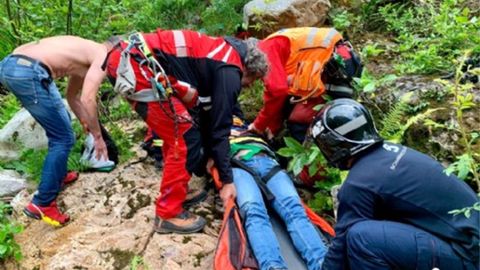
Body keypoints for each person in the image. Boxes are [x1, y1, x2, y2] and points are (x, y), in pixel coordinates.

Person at [104, 29, 268, 234]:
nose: (249, 86)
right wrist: (227, 181)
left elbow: (207, 115)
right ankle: (167, 213)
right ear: (250, 70)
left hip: (133, 61)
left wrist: (211, 156)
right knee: (183, 138)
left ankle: (175, 193)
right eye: (252, 82)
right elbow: (220, 128)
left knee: (177, 133)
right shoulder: (230, 69)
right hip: (138, 67)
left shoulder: (221, 54)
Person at [309, 98, 479, 269]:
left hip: (466, 254)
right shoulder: (392, 152)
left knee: (361, 238)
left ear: (334, 144)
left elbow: (341, 243)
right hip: (468, 241)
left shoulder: (359, 183)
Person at [0, 36, 113, 227]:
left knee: (63, 123)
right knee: (62, 138)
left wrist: (86, 121)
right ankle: (42, 203)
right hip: (29, 72)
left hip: (12, 65)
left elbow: (72, 97)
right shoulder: (104, 56)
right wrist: (98, 137)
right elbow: (88, 100)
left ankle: (57, 174)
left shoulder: (88, 52)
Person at [227, 116, 328, 270]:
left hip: (267, 161)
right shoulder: (216, 131)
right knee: (253, 211)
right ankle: (273, 266)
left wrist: (268, 136)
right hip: (237, 165)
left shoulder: (252, 127)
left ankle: (322, 264)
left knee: (294, 209)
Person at [249, 27, 362, 143]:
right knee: (345, 116)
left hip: (334, 69)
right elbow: (285, 94)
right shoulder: (279, 43)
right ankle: (350, 141)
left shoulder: (264, 51)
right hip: (343, 62)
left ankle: (315, 154)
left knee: (300, 122)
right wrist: (272, 128)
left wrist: (259, 125)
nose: (250, 83)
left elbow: (277, 91)